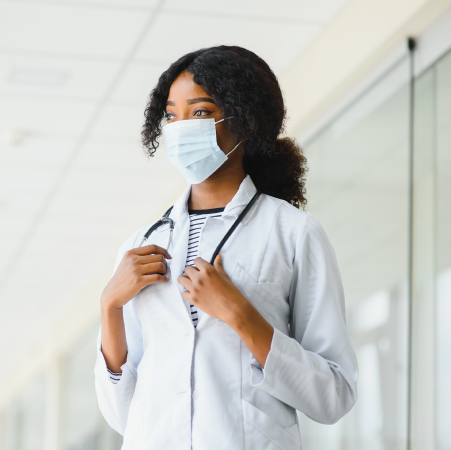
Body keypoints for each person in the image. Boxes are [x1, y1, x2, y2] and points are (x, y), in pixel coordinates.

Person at [94, 45, 357, 450]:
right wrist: (110, 308)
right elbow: (123, 415)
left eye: (199, 112)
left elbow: (334, 395)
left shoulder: (293, 233)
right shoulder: (143, 245)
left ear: (245, 119)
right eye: (171, 115)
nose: (181, 127)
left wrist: (241, 315)